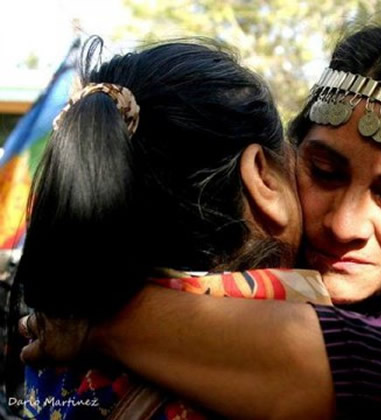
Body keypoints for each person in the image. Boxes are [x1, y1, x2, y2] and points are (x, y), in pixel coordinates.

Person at [20, 25, 381, 419]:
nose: (345, 224)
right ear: (283, 158)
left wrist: (102, 322)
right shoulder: (260, 271)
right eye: (323, 172)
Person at [12, 37, 333, 419]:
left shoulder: (57, 349)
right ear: (263, 177)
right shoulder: (314, 357)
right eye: (322, 172)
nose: (346, 224)